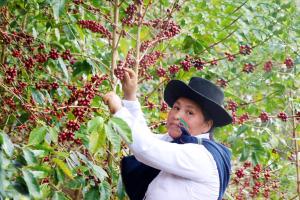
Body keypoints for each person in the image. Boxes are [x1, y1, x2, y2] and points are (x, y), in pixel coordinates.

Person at [103, 68, 232, 200]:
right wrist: (130, 98)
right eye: (176, 108)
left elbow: (146, 148)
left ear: (207, 125)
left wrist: (119, 110)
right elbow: (144, 137)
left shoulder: (201, 156)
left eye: (190, 113)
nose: (177, 115)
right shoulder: (176, 142)